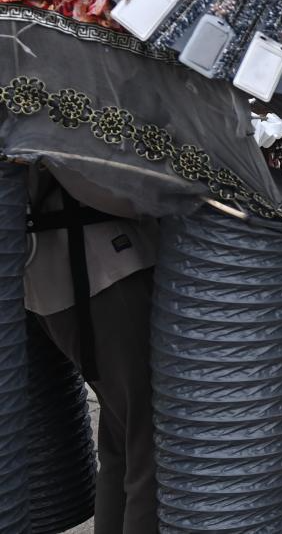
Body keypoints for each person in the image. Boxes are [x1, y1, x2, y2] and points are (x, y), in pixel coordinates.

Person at [24, 166, 160, 533]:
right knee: (152, 441)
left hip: (68, 274)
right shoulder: (39, 107)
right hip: (98, 270)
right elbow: (97, 176)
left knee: (123, 438)